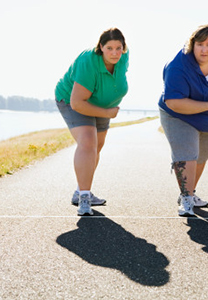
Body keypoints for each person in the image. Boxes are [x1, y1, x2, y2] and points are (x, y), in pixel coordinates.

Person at [158, 24, 208, 217]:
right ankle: (186, 199)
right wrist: (207, 105)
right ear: (192, 45)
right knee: (187, 155)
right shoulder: (177, 67)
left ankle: (190, 193)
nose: (204, 50)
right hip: (179, 114)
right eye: (200, 44)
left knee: (200, 158)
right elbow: (174, 102)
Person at [55, 28, 129, 216]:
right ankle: (84, 198)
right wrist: (106, 112)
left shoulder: (124, 58)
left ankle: (80, 190)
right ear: (101, 47)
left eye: (118, 48)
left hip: (103, 105)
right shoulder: (88, 62)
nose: (114, 53)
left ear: (123, 48)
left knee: (97, 146)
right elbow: (77, 103)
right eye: (109, 48)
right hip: (74, 101)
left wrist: (107, 108)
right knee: (88, 142)